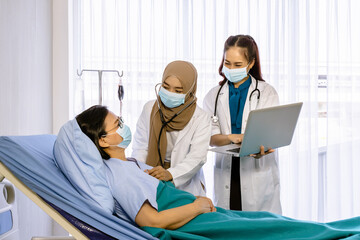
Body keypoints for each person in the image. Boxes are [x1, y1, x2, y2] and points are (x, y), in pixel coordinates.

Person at [71, 105, 360, 240]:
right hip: (193, 221)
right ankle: (346, 232)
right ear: (104, 140)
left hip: (200, 213)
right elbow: (152, 220)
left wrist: (155, 176)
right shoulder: (118, 174)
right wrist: (195, 205)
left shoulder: (129, 165)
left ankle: (347, 228)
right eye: (116, 123)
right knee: (270, 229)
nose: (123, 125)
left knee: (268, 220)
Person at [203, 35, 281, 213]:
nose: (230, 69)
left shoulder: (267, 93)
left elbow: (269, 135)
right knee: (229, 227)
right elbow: (211, 138)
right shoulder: (213, 96)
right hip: (227, 174)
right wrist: (234, 138)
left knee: (259, 231)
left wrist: (262, 147)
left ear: (251, 63)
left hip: (257, 172)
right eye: (227, 63)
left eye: (237, 65)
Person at [131, 60, 211, 196]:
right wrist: (141, 173)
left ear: (190, 91)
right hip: (150, 177)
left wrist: (170, 174)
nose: (170, 93)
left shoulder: (201, 118)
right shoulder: (150, 109)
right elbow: (140, 146)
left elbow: (197, 158)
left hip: (185, 184)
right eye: (166, 87)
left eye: (178, 90)